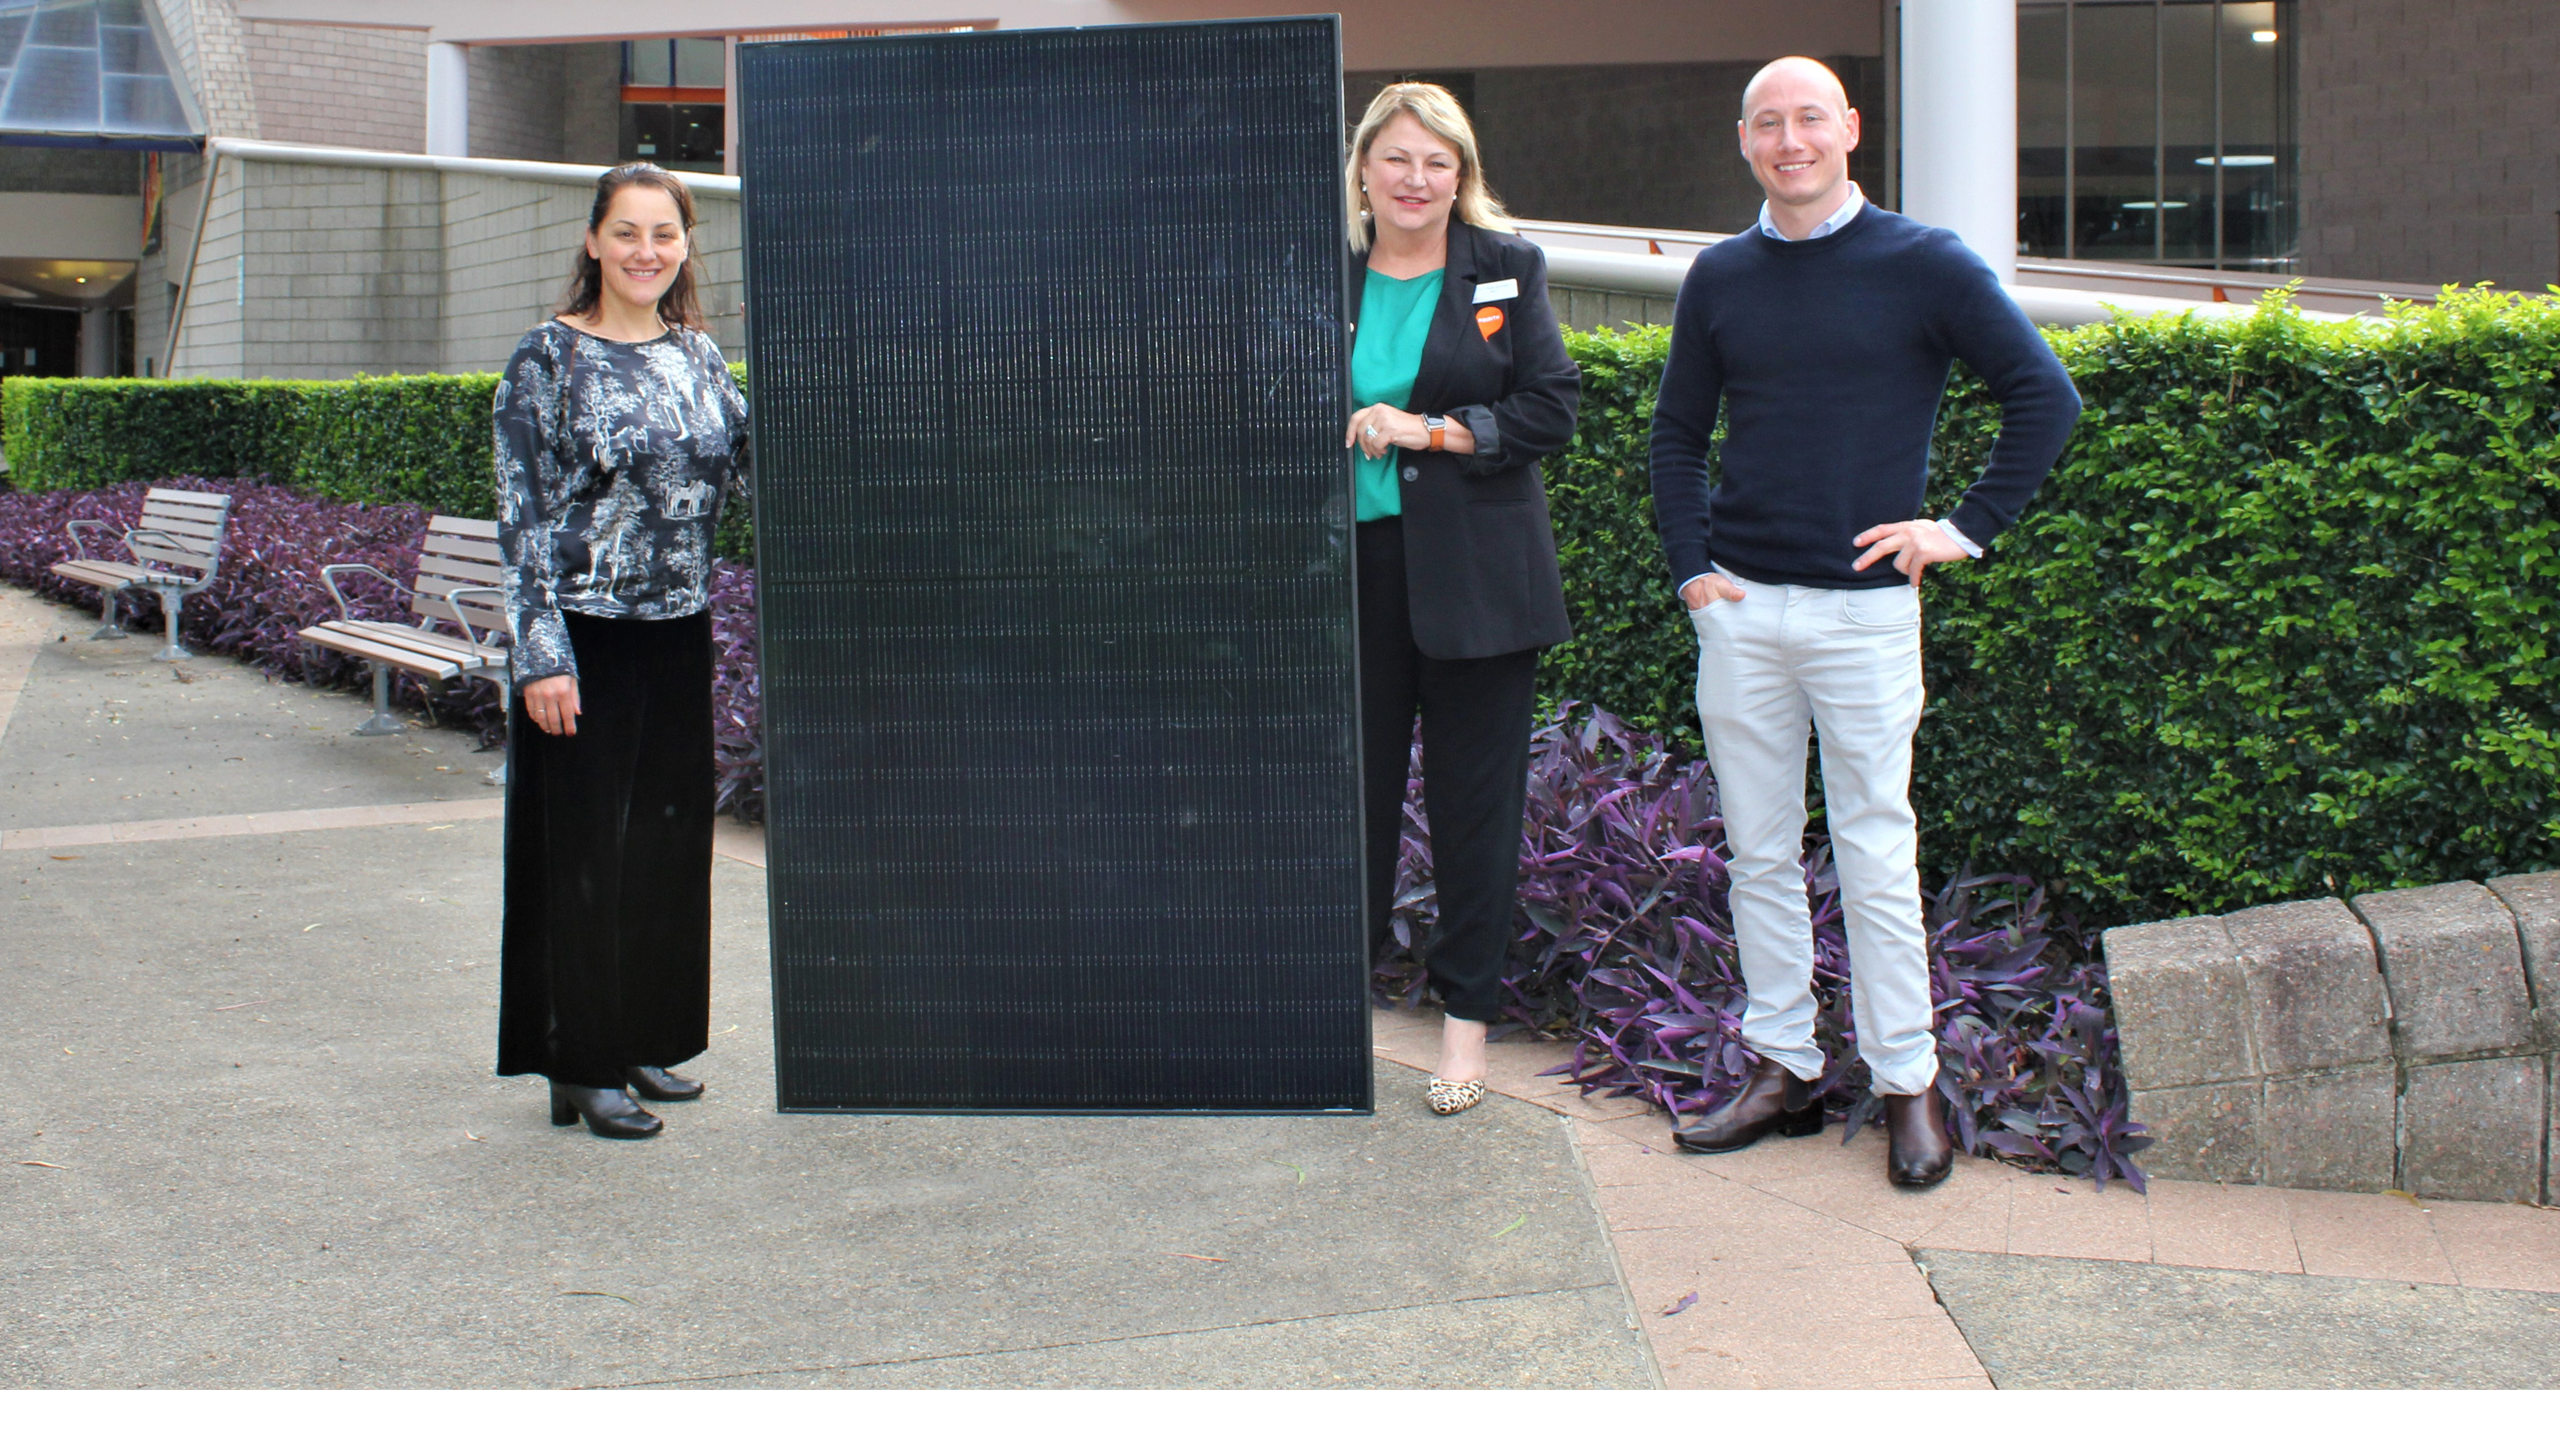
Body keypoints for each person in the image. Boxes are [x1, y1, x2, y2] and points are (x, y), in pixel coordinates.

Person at [1648, 58, 2080, 1185]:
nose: (1788, 140)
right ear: (1743, 140)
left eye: (1808, 119)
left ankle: (1906, 1083)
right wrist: (1693, 569)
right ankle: (1781, 1066)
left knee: (1875, 853)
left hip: (1864, 621)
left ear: (1848, 128)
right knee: (1756, 854)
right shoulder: (1719, 277)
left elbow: (2045, 393)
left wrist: (1961, 527)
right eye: (1765, 124)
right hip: (1742, 612)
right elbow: (1675, 438)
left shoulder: (1922, 262)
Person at [492, 163, 750, 1140]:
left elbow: (749, 467)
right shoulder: (546, 358)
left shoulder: (699, 357)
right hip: (584, 640)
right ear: (594, 240)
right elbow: (520, 516)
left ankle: (642, 1036)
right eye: (628, 231)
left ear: (686, 246)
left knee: (664, 853)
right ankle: (580, 1060)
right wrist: (541, 652)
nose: (648, 251)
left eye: (666, 234)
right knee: (584, 856)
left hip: (677, 629)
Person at [1343, 83, 1581, 1116]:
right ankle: (1328, 1013)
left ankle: (1466, 1026)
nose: (1415, 178)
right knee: (1343, 806)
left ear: (1461, 174)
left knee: (1470, 811)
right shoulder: (1320, 276)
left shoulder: (1505, 269)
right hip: (1349, 575)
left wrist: (1431, 430)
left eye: (1436, 161)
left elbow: (1548, 407)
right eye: (1397, 158)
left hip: (1478, 584)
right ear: (1363, 169)